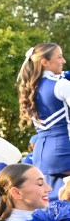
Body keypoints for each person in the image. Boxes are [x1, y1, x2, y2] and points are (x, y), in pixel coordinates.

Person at [18, 42, 70, 199]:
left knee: (52, 203)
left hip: (41, 155)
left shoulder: (31, 87)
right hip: (64, 152)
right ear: (45, 62)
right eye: (59, 57)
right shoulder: (61, 85)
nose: (63, 61)